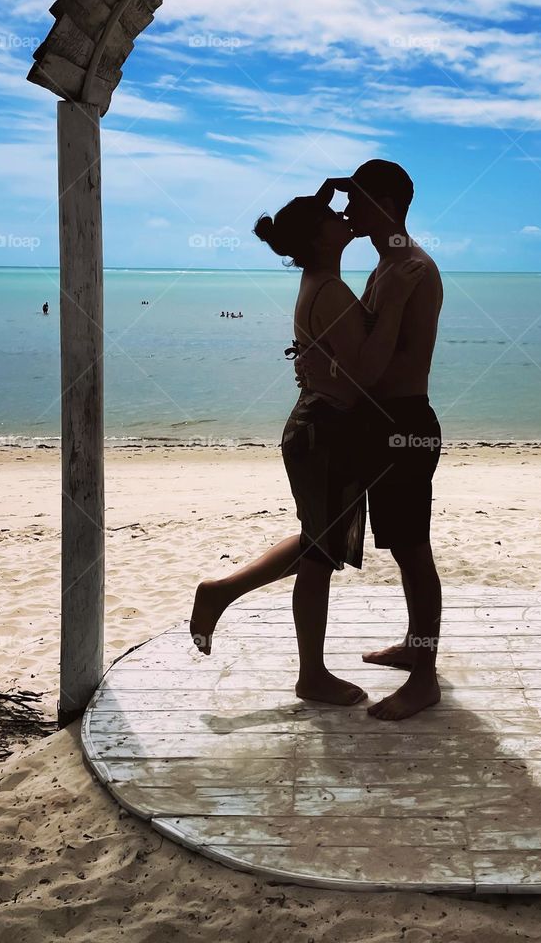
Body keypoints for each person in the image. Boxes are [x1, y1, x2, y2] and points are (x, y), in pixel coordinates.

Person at [189, 192, 423, 707]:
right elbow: (365, 371)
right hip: (325, 432)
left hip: (322, 426)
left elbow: (343, 358)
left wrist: (322, 195)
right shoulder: (331, 290)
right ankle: (310, 675)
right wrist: (397, 304)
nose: (344, 216)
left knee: (320, 541)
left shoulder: (320, 280)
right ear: (318, 237)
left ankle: (221, 593)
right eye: (332, 217)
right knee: (319, 555)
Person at [295, 160, 445, 721]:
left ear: (385, 203)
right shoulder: (386, 265)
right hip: (382, 423)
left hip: (405, 423)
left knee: (413, 553)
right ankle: (413, 646)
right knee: (388, 546)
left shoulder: (411, 268)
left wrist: (331, 374)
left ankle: (424, 675)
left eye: (356, 201)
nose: (346, 211)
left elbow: (397, 364)